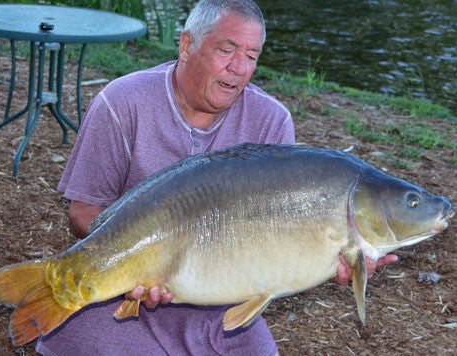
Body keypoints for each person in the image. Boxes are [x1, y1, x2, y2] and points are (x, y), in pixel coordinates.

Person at [36, 0, 396, 354]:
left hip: (221, 298)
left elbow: (281, 242)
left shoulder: (271, 121)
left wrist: (329, 261)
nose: (239, 68)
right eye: (227, 49)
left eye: (252, 56)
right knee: (73, 330)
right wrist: (141, 264)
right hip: (120, 288)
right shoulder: (123, 102)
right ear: (187, 44)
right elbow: (83, 211)